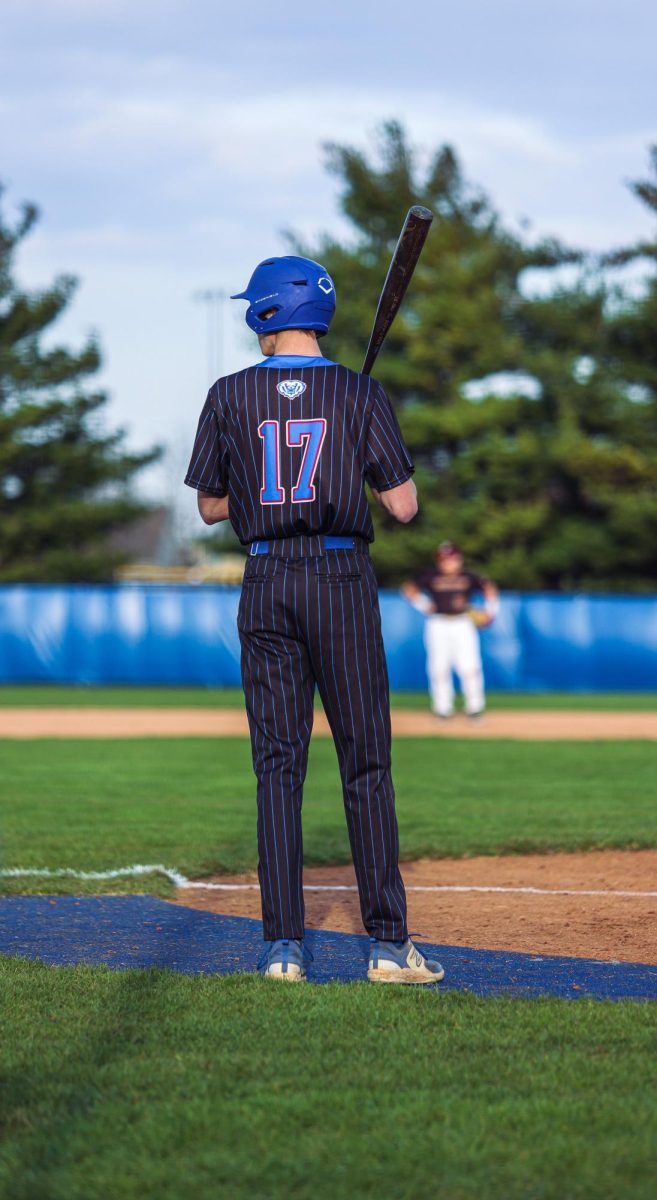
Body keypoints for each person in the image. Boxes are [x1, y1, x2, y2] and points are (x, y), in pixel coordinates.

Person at [184, 254, 444, 986]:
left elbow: (207, 506)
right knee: (364, 762)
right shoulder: (359, 392)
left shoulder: (228, 394)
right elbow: (402, 506)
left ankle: (281, 950)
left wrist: (267, 497)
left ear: (265, 313)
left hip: (265, 577)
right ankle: (389, 947)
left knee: (277, 765)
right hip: (338, 578)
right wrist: (352, 460)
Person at [402, 542, 499, 719]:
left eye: (451, 558)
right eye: (444, 559)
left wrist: (490, 612)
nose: (448, 562)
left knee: (470, 666)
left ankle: (475, 708)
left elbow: (489, 589)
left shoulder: (469, 576)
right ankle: (442, 709)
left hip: (463, 622)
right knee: (438, 667)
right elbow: (409, 589)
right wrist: (424, 604)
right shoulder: (431, 575)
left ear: (459, 559)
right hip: (438, 622)